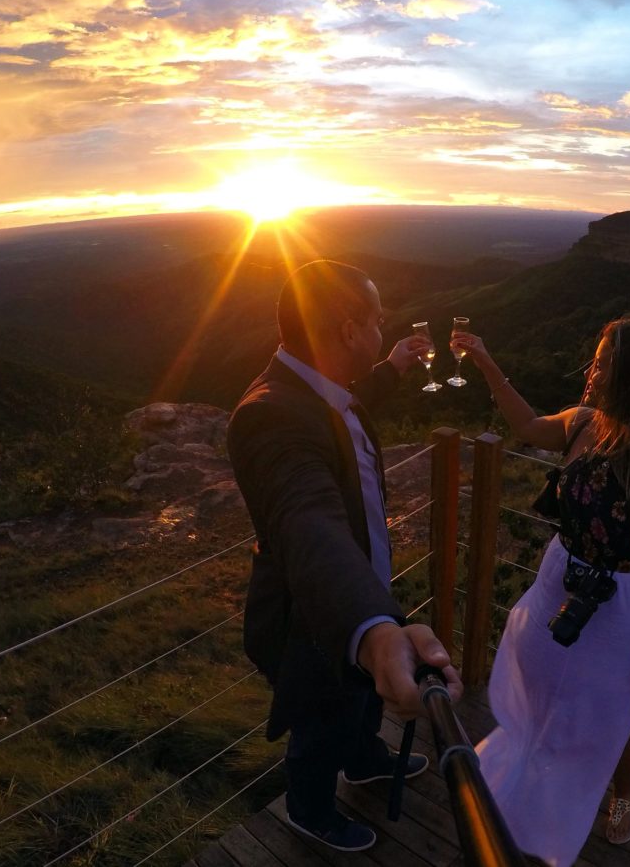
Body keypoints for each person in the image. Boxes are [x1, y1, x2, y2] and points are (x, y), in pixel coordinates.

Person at [227, 259, 463, 853]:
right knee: (320, 712)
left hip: (359, 592)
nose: (385, 329)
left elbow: (344, 406)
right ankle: (309, 811)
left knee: (357, 701)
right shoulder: (269, 418)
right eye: (379, 321)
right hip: (318, 610)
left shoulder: (312, 390)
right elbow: (309, 523)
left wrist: (392, 370)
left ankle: (362, 759)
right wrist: (373, 628)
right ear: (348, 329)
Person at [452, 316, 630, 866]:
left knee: (606, 713)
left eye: (604, 362)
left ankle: (621, 795)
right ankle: (527, 794)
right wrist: (487, 361)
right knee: (542, 692)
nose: (592, 370)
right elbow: (526, 426)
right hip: (559, 580)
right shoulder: (585, 422)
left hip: (621, 607)